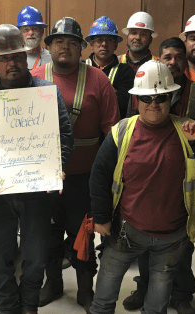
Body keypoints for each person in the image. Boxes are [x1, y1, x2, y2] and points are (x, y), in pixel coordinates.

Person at [89, 60, 195, 314]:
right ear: (136, 100)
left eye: (161, 97)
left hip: (172, 237)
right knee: (104, 296)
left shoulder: (187, 131)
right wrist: (101, 217)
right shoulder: (121, 132)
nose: (153, 104)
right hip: (125, 232)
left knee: (157, 303)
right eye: (146, 98)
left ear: (172, 98)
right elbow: (99, 176)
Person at [0, 23, 74, 314]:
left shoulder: (46, 93)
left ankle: (29, 306)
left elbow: (65, 135)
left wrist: (57, 167)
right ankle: (7, 308)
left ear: (27, 57)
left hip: (37, 191)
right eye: (4, 58)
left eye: (17, 56)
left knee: (35, 257)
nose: (12, 63)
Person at [30, 17, 120, 313]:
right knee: (48, 234)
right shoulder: (35, 75)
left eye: (72, 42)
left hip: (84, 178)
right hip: (44, 178)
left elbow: (112, 132)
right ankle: (52, 282)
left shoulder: (98, 80)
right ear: (50, 46)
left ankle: (85, 288)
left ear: (82, 48)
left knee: (82, 233)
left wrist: (109, 178)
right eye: (59, 41)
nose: (65, 47)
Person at [84, 16, 136, 117]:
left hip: (113, 128)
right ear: (91, 44)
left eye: (109, 40)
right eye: (99, 40)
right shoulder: (80, 67)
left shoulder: (125, 71)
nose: (104, 44)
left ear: (116, 45)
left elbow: (122, 104)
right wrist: (110, 93)